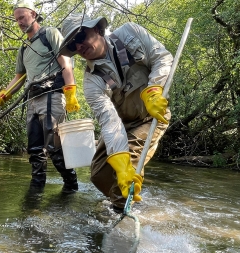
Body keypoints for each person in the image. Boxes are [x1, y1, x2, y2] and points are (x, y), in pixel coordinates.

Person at [59, 14, 174, 212]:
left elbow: (163, 58)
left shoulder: (131, 33)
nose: (78, 47)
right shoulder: (91, 82)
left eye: (80, 37)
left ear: (97, 30)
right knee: (99, 174)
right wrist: (120, 167)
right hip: (121, 123)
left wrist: (155, 89)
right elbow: (110, 122)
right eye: (72, 45)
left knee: (131, 158)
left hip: (150, 118)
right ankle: (125, 198)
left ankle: (124, 210)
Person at [0, 0, 80, 193]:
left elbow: (65, 62)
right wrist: (3, 96)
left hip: (52, 96)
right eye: (16, 20)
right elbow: (18, 77)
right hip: (32, 101)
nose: (19, 22)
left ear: (33, 14)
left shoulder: (50, 34)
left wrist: (71, 89)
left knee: (55, 148)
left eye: (22, 17)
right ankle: (35, 191)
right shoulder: (23, 48)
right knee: (35, 151)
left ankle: (71, 187)